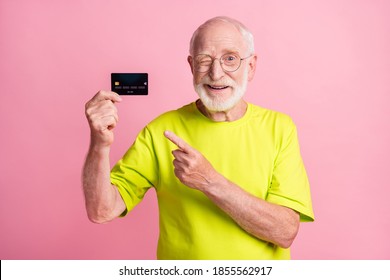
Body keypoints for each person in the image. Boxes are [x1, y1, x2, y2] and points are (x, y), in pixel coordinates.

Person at [83, 16, 314, 260]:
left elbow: (285, 231)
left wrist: (210, 181)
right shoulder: (161, 129)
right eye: (205, 60)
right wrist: (99, 144)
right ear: (192, 66)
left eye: (230, 59)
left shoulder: (279, 128)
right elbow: (101, 211)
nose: (216, 73)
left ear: (251, 66)